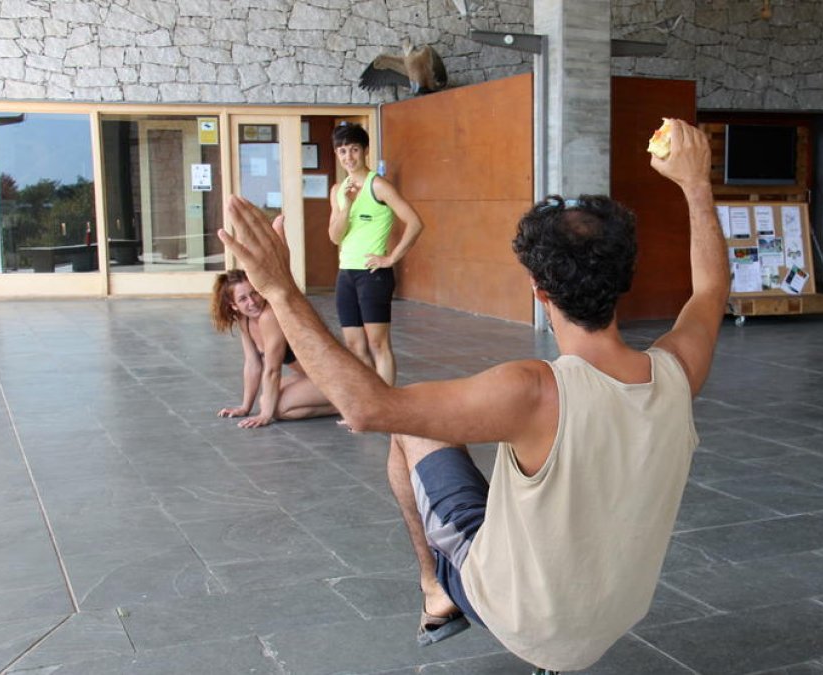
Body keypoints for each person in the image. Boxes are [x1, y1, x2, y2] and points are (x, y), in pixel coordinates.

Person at [219, 119, 727, 672]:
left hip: (527, 622)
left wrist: (279, 289)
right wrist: (695, 184)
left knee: (410, 423)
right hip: (616, 613)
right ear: (626, 275)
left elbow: (368, 409)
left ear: (538, 291)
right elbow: (710, 289)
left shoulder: (533, 391)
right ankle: (444, 592)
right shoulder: (677, 372)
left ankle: (437, 591)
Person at [328, 122, 424, 385]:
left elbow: (415, 223)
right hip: (346, 273)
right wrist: (346, 206)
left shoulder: (378, 186)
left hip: (373, 275)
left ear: (365, 151)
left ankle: (387, 408)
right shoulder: (338, 191)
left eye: (354, 150)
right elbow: (335, 236)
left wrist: (391, 259)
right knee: (354, 345)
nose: (349, 157)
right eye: (343, 151)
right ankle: (369, 404)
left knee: (377, 344)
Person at [210, 269, 338, 429]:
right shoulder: (245, 320)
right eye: (243, 299)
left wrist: (265, 415)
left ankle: (347, 405)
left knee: (277, 408)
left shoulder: (269, 316)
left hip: (333, 375)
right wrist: (245, 407)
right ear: (234, 306)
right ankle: (342, 403)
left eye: (254, 293)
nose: (252, 302)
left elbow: (273, 370)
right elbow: (252, 364)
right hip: (309, 375)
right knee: (266, 401)